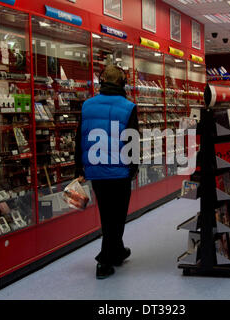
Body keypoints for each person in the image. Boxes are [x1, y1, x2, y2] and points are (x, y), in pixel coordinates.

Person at [74, 64, 139, 279]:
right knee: (117, 216)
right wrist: (134, 168)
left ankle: (117, 251)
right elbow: (132, 140)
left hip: (95, 170)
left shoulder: (87, 106)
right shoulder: (128, 107)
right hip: (119, 171)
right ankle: (104, 261)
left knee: (107, 215)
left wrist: (78, 166)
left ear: (102, 82)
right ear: (122, 83)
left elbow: (79, 138)